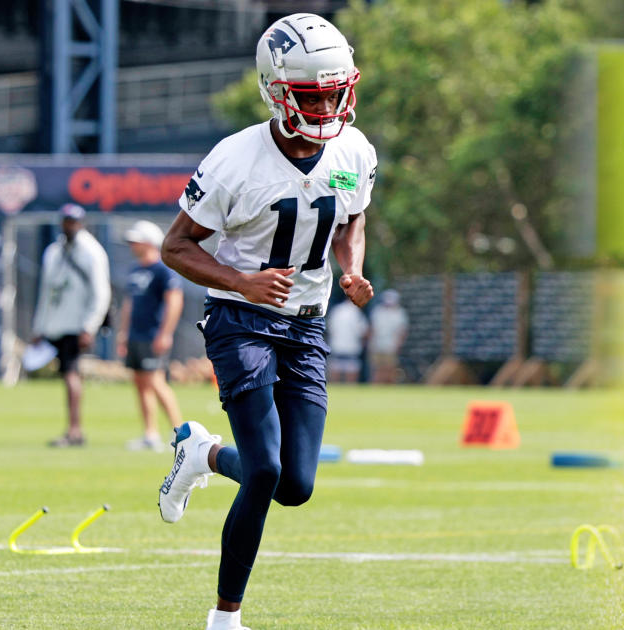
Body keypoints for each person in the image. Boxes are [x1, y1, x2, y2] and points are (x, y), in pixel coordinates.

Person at [155, 13, 376, 630]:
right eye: (313, 96)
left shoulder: (354, 149)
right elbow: (177, 246)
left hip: (305, 324)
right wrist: (242, 281)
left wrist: (351, 268)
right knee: (267, 471)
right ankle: (225, 617)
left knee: (297, 484)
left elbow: (352, 215)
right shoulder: (234, 160)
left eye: (336, 92)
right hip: (241, 319)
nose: (329, 106)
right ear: (277, 91)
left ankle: (203, 453)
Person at [31, 202, 110, 447]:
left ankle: (75, 431)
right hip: (56, 323)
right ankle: (73, 429)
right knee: (66, 374)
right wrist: (39, 326)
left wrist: (89, 325)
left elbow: (101, 292)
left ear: (81, 223)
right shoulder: (54, 251)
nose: (69, 226)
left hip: (76, 324)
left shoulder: (91, 251)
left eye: (73, 221)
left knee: (71, 373)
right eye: (66, 221)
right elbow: (46, 291)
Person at [117, 220, 185, 451]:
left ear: (148, 242)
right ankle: (150, 434)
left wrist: (165, 333)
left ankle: (181, 433)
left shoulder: (162, 270)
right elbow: (129, 304)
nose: (132, 245)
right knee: (140, 383)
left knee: (156, 382)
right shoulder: (135, 269)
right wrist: (123, 334)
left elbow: (174, 301)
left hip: (152, 334)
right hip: (135, 335)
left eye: (136, 240)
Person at [367, 289, 408, 384]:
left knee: (390, 370)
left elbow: (402, 331)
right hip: (377, 345)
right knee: (377, 370)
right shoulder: (378, 311)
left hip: (391, 345)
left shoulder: (400, 313)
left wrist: (398, 345)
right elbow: (373, 329)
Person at [325, 296, 368, 383]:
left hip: (336, 347)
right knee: (351, 380)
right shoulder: (357, 312)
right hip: (352, 348)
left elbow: (330, 328)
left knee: (334, 380)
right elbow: (363, 332)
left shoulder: (336, 310)